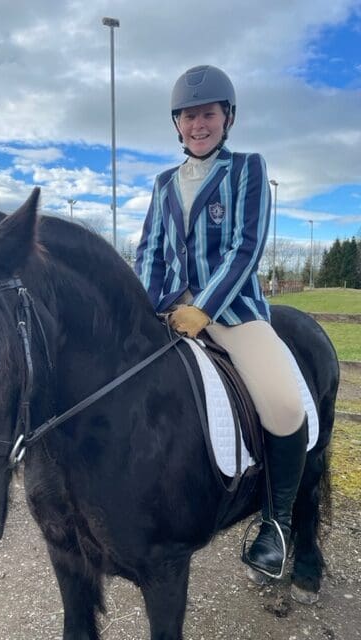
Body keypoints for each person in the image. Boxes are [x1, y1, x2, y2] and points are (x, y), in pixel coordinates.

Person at [135, 65, 307, 579]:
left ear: (227, 118)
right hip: (169, 310)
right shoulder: (164, 183)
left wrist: (203, 308)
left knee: (282, 403)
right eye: (189, 116)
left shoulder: (248, 169)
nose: (198, 124)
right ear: (177, 124)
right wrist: (145, 307)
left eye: (207, 114)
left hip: (230, 312)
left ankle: (275, 526)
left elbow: (245, 247)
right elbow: (149, 253)